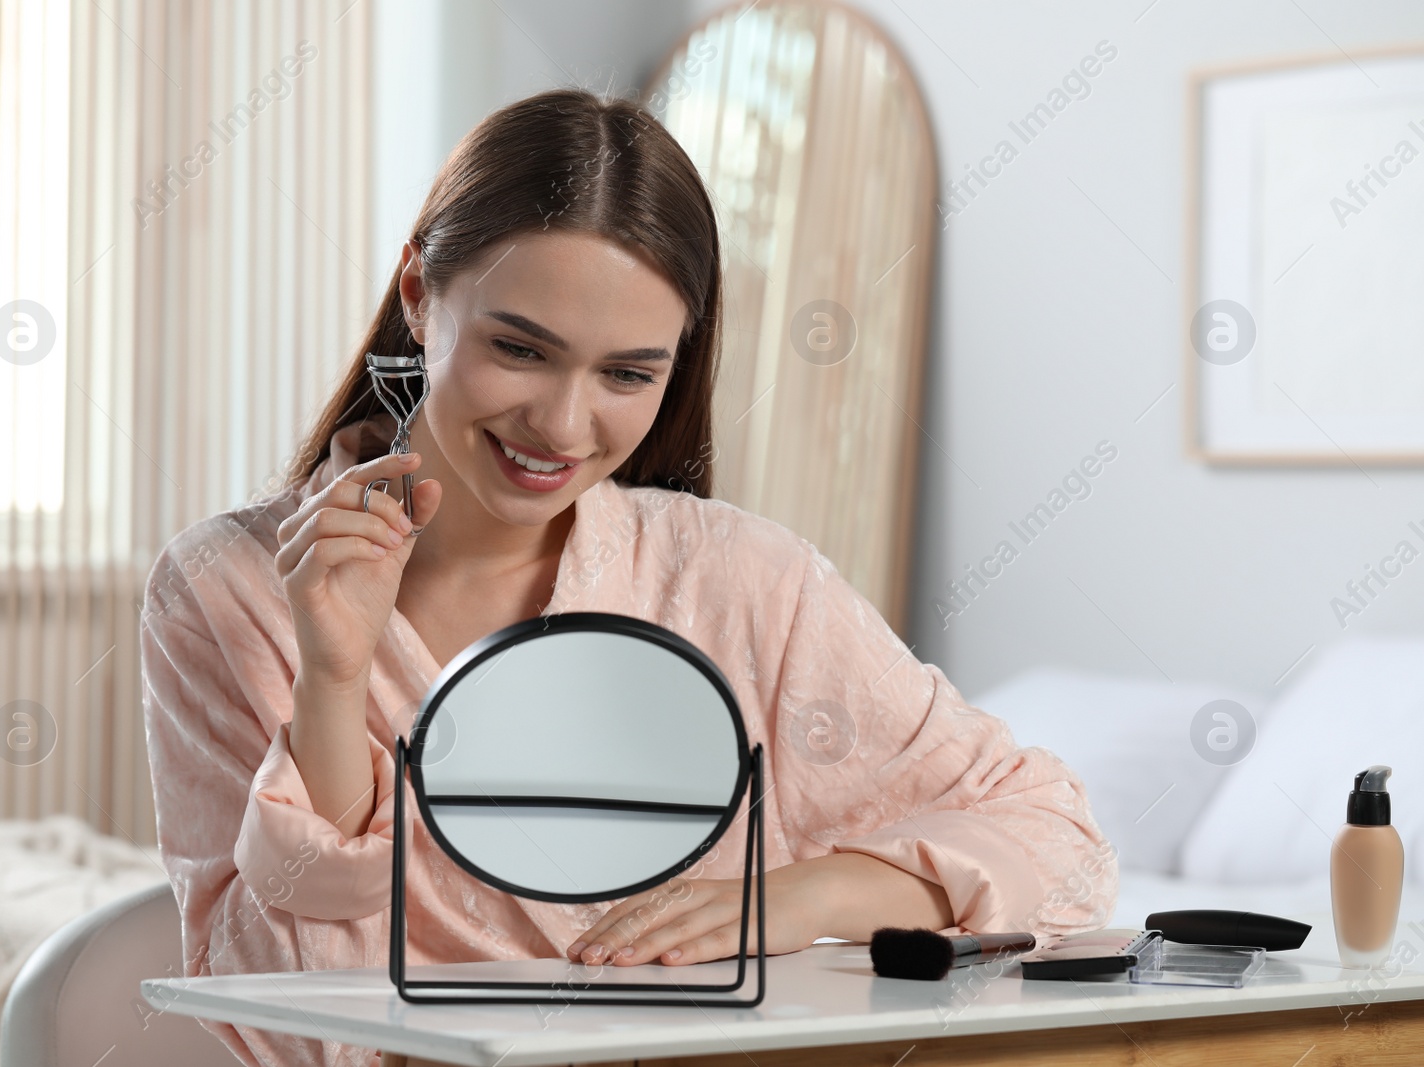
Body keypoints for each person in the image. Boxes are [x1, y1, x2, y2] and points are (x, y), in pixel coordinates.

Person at [140, 86, 1118, 1067]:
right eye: (520, 348)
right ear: (417, 292)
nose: (563, 427)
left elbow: (1057, 840)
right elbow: (286, 1022)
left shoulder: (740, 578)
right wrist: (333, 678)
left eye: (627, 374)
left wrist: (797, 897)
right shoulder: (225, 587)